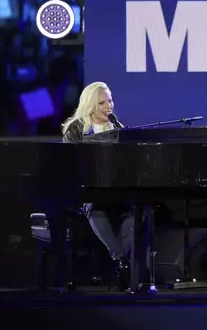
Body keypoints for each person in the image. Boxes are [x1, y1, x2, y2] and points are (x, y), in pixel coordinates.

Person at [62, 81, 135, 292]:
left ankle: (124, 262)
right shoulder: (76, 129)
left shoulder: (118, 128)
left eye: (110, 101)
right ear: (90, 105)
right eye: (102, 103)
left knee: (134, 210)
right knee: (95, 206)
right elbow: (70, 165)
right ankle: (121, 261)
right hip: (87, 192)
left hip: (116, 191)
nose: (108, 106)